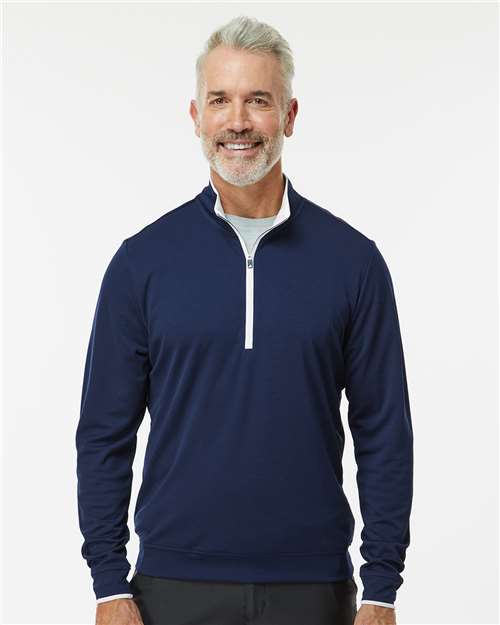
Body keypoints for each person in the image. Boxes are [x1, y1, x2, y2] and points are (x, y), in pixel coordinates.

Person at [75, 15, 413, 625]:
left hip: (312, 586)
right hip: (172, 585)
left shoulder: (353, 262)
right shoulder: (141, 262)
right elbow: (104, 432)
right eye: (220, 100)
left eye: (258, 100)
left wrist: (382, 588)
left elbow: (383, 429)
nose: (238, 121)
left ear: (289, 115)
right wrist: (107, 584)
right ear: (196, 116)